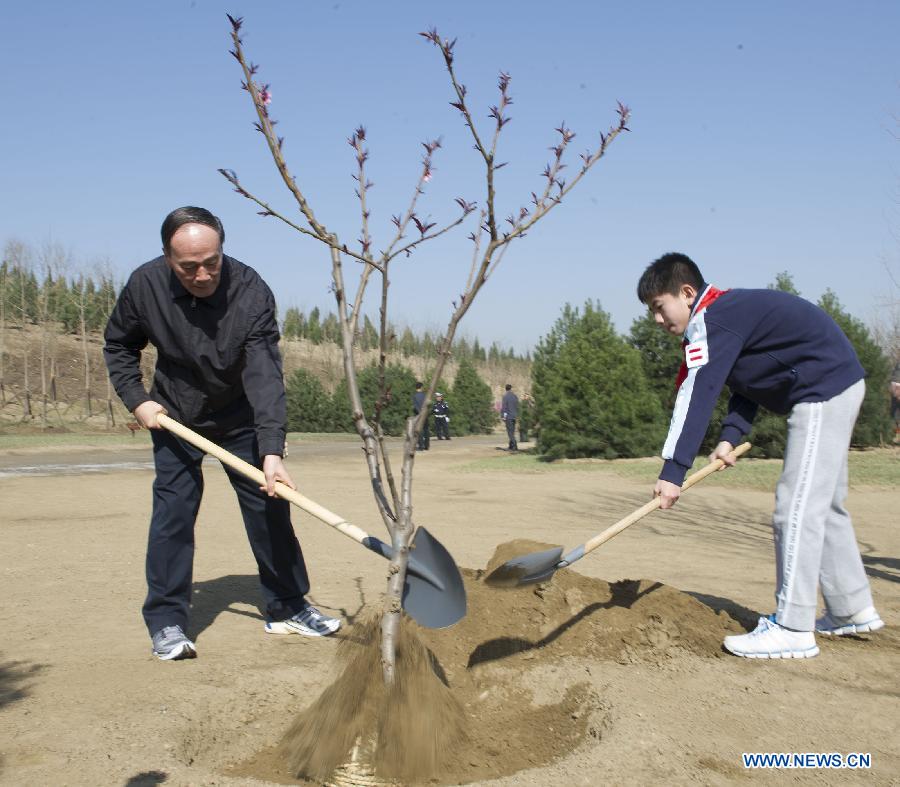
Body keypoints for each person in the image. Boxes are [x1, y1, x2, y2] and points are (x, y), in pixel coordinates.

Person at [104, 206, 341, 661]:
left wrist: (271, 449)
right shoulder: (145, 285)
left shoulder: (250, 291)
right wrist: (137, 399)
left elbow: (265, 375)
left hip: (240, 417)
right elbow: (119, 345)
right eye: (188, 266)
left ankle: (287, 606)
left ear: (222, 250)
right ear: (168, 259)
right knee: (173, 514)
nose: (202, 274)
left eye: (211, 262)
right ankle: (168, 620)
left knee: (271, 508)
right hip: (174, 417)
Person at [637, 252, 883, 660]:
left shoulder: (714, 320)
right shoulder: (725, 313)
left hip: (821, 389)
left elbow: (698, 396)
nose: (657, 320)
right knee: (825, 507)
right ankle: (851, 608)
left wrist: (673, 471)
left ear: (686, 292)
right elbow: (747, 379)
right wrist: (731, 435)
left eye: (659, 308)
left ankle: (792, 627)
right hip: (836, 382)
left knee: (796, 508)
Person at [412, 381, 430, 450]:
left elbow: (415, 407)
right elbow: (427, 405)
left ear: (416, 388)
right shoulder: (425, 395)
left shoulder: (415, 396)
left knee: (419, 430)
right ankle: (427, 446)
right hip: (425, 414)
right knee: (426, 430)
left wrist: (419, 413)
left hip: (419, 415)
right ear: (421, 387)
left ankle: (421, 446)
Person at [501, 384, 519, 451]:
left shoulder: (505, 397)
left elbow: (504, 408)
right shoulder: (515, 396)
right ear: (511, 388)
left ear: (505, 389)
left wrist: (503, 416)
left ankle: (515, 446)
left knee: (510, 433)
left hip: (509, 416)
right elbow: (517, 406)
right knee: (512, 432)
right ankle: (511, 446)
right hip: (514, 416)